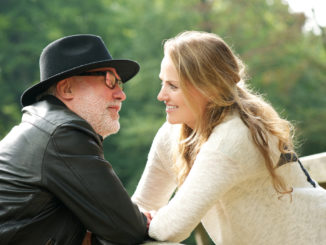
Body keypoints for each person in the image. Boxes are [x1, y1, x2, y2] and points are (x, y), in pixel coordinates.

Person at [132, 31, 326, 244]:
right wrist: (142, 219)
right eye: (163, 83)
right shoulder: (173, 133)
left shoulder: (234, 137)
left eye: (173, 86)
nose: (161, 95)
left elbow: (173, 227)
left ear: (208, 88)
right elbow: (141, 205)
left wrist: (150, 220)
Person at [0, 34, 149, 245]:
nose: (120, 94)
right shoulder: (64, 132)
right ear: (67, 88)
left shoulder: (44, 125)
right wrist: (141, 220)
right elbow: (128, 229)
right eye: (109, 80)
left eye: (120, 83)